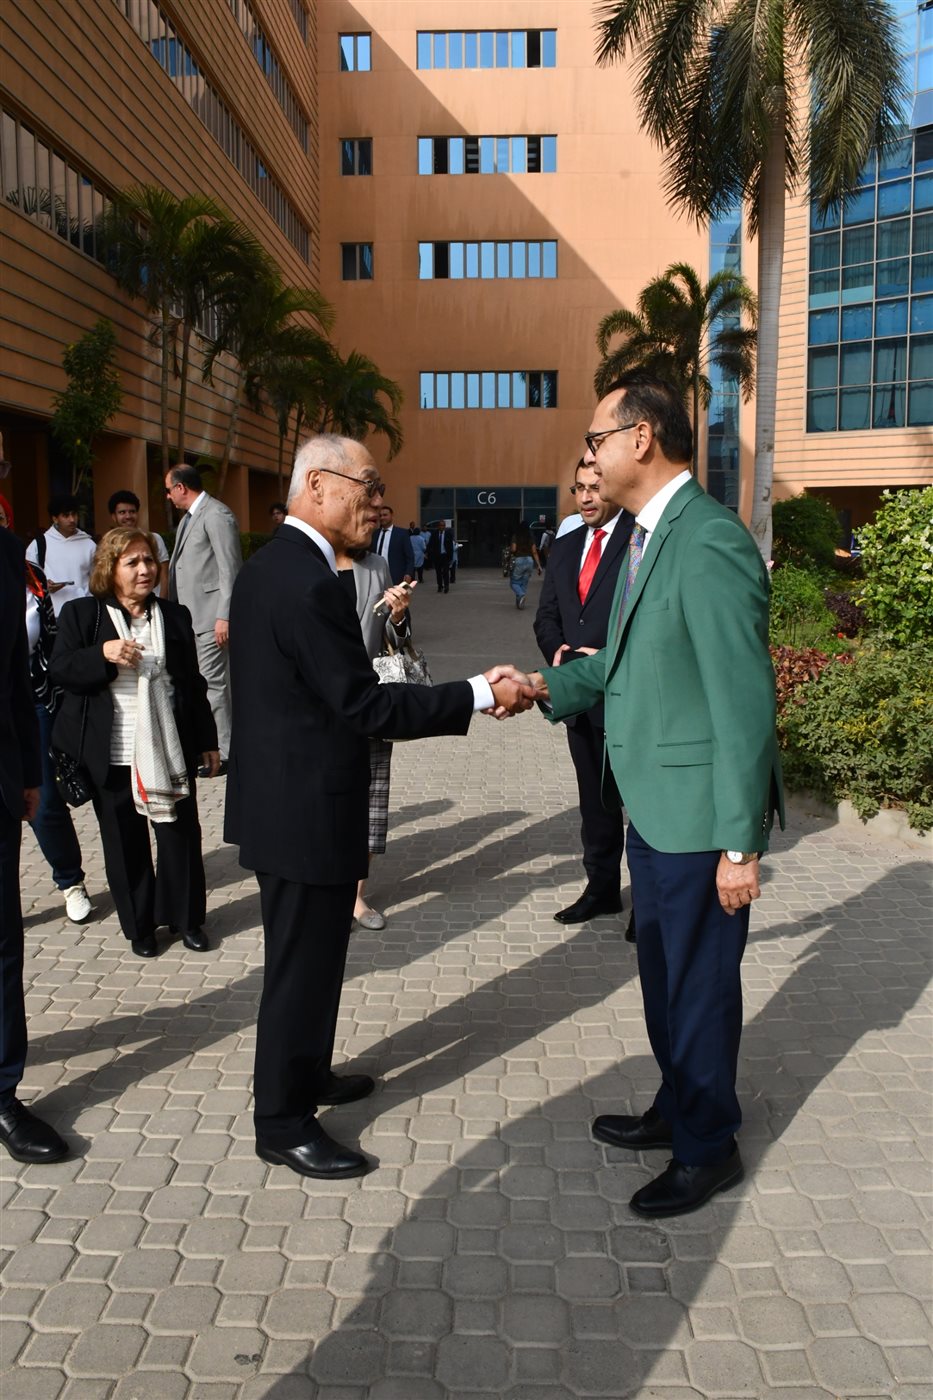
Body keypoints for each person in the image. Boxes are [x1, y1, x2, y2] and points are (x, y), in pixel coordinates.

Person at [224, 434, 534, 1182]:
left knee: (317, 962)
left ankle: (307, 1074)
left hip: (293, 804)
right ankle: (281, 1122)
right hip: (302, 813)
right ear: (319, 485)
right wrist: (478, 692)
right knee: (299, 971)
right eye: (368, 486)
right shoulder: (306, 582)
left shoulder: (279, 565)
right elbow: (364, 704)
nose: (377, 503)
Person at [529, 372, 783, 1219]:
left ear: (640, 438)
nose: (588, 456)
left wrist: (740, 845)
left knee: (699, 990)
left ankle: (707, 1147)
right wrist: (542, 686)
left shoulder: (705, 540)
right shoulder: (647, 533)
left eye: (595, 439)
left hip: (699, 823)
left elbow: (743, 701)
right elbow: (625, 661)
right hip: (652, 809)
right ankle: (676, 1106)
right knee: (664, 981)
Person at [50, 528, 220, 959]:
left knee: (180, 837)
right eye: (132, 562)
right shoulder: (82, 614)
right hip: (112, 753)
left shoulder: (174, 615)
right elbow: (61, 669)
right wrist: (102, 654)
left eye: (148, 560)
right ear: (110, 568)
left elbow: (192, 682)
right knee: (125, 845)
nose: (145, 569)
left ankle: (187, 920)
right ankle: (140, 927)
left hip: (168, 748)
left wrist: (208, 740)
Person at [534, 463, 635, 938]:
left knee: (639, 805)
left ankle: (648, 907)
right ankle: (602, 889)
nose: (587, 497)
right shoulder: (566, 543)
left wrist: (607, 658)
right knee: (595, 805)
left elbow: (646, 619)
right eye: (580, 488)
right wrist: (557, 653)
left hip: (628, 695)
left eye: (596, 487)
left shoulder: (641, 540)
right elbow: (547, 614)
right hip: (577, 696)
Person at [0, 524, 69, 1164]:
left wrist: (27, 771)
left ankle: (2, 1092)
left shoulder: (6, 554)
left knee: (2, 943)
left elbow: (14, 675)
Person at [0, 494, 92, 924]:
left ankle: (71, 881)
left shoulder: (30, 576)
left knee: (44, 799)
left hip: (32, 700)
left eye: (2, 517)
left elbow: (49, 638)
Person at [335, 546, 414, 931]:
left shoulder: (376, 565)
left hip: (369, 695)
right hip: (315, 702)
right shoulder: (307, 560)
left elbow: (394, 638)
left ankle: (354, 895)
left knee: (372, 799)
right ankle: (323, 886)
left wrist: (398, 616)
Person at [164, 465, 242, 773]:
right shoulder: (190, 518)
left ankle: (225, 752)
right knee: (203, 684)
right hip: (191, 618)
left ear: (181, 488)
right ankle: (212, 747)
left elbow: (230, 568)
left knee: (213, 684)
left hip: (212, 618)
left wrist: (225, 615)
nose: (167, 496)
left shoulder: (216, 515)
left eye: (168, 490)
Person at [25, 493, 97, 617]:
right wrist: (44, 586)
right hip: (52, 615)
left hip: (84, 613)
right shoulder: (39, 545)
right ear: (55, 518)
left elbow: (99, 581)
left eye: (74, 514)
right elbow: (28, 578)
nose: (72, 520)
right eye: (66, 515)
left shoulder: (89, 544)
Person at [108, 490, 169, 596]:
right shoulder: (109, 544)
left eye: (132, 512)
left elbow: (165, 576)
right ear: (113, 516)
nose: (128, 516)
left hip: (153, 600)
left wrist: (161, 601)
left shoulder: (154, 539)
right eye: (122, 512)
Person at [371, 505, 415, 585]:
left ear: (392, 516)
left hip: (396, 577)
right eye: (380, 516)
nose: (382, 518)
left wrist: (408, 573)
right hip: (376, 577)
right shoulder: (374, 534)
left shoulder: (402, 534)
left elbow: (410, 556)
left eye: (385, 515)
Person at [509, 524, 541, 609]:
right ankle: (520, 603)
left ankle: (521, 595)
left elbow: (514, 549)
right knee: (524, 583)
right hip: (529, 561)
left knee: (514, 583)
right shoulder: (530, 537)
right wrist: (539, 565)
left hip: (519, 560)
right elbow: (534, 552)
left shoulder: (516, 536)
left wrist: (510, 549)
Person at [426, 519, 454, 593]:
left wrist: (451, 557)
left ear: (445, 526)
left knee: (445, 572)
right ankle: (440, 586)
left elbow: (451, 547)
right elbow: (430, 544)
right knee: (438, 572)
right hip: (437, 556)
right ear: (438, 526)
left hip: (445, 556)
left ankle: (446, 586)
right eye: (441, 525)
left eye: (443, 525)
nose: (442, 527)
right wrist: (427, 553)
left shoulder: (448, 534)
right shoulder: (434, 534)